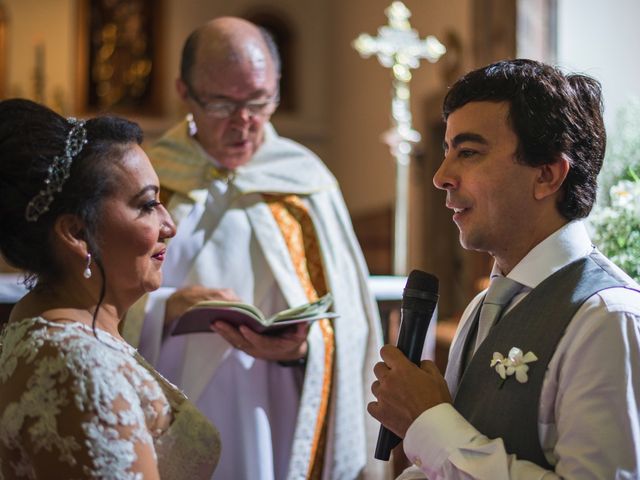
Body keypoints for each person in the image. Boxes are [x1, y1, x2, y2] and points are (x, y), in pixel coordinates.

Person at [121, 16, 386, 480]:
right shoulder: (150, 179)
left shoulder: (306, 182)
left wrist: (302, 350)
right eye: (223, 103)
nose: (245, 122)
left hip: (276, 413)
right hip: (167, 406)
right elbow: (100, 301)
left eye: (260, 102)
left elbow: (352, 323)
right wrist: (168, 308)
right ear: (185, 92)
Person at [368, 59, 640, 479]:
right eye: (447, 151)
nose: (441, 176)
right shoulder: (484, 306)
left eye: (469, 152)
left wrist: (429, 421)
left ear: (547, 175)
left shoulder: (606, 317)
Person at [0, 98, 220, 479]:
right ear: (77, 233)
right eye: (147, 205)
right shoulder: (80, 366)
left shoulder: (38, 318)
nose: (169, 225)